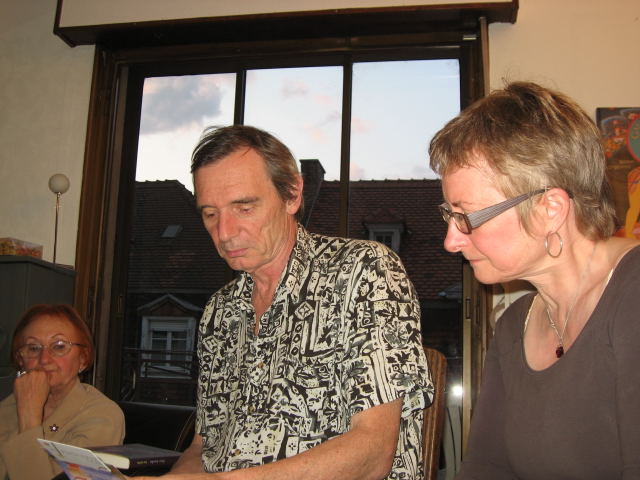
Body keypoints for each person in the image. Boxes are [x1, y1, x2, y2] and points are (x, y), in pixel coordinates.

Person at [135, 125, 432, 479]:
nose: (224, 232)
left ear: (291, 195)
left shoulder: (363, 272)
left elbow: (373, 452)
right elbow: (203, 447)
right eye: (210, 214)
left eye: (244, 207)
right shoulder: (219, 312)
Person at [429, 81, 640, 479]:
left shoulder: (633, 296)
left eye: (466, 216)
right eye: (449, 215)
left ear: (549, 209)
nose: (451, 241)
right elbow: (487, 467)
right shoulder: (514, 325)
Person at [0, 304, 125, 479]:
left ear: (83, 359)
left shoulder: (103, 416)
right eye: (33, 348)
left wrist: (29, 417)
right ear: (20, 359)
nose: (44, 359)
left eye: (59, 346)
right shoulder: (6, 408)